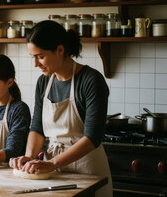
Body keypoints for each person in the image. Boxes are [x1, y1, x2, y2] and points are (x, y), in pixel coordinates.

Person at [9, 20, 112, 197]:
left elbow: (93, 137)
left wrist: (53, 163)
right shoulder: (44, 82)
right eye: (32, 57)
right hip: (54, 172)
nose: (35, 64)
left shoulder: (91, 80)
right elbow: (37, 128)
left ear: (60, 50)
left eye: (40, 56)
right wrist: (29, 156)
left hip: (88, 170)